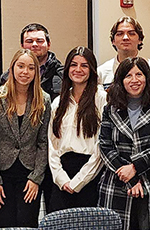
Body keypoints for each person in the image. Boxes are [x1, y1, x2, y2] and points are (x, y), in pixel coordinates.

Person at [97, 56, 150, 229]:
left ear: (147, 77)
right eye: (128, 76)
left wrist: (135, 167)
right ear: (120, 80)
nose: (134, 80)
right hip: (118, 182)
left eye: (139, 74)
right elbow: (105, 145)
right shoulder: (110, 108)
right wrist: (129, 177)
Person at [0, 49, 51, 228]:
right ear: (12, 68)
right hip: (1, 174)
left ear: (36, 72)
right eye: (20, 66)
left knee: (26, 223)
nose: (25, 72)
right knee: (2, 223)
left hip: (29, 175)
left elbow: (43, 142)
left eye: (30, 68)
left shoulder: (44, 100)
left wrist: (36, 178)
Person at [47, 46, 105, 212]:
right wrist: (61, 179)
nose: (78, 69)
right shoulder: (58, 103)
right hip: (62, 178)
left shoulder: (101, 99)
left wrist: (79, 181)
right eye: (73, 65)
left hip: (91, 175)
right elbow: (51, 145)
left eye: (84, 65)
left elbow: (102, 145)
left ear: (92, 70)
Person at [0, 23, 63, 100]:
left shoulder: (62, 75)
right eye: (29, 41)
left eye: (39, 41)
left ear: (49, 44)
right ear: (22, 45)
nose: (34, 44)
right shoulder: (7, 77)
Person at [98, 16, 150, 89]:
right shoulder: (101, 73)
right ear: (113, 41)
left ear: (140, 39)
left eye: (131, 33)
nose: (125, 38)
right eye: (120, 34)